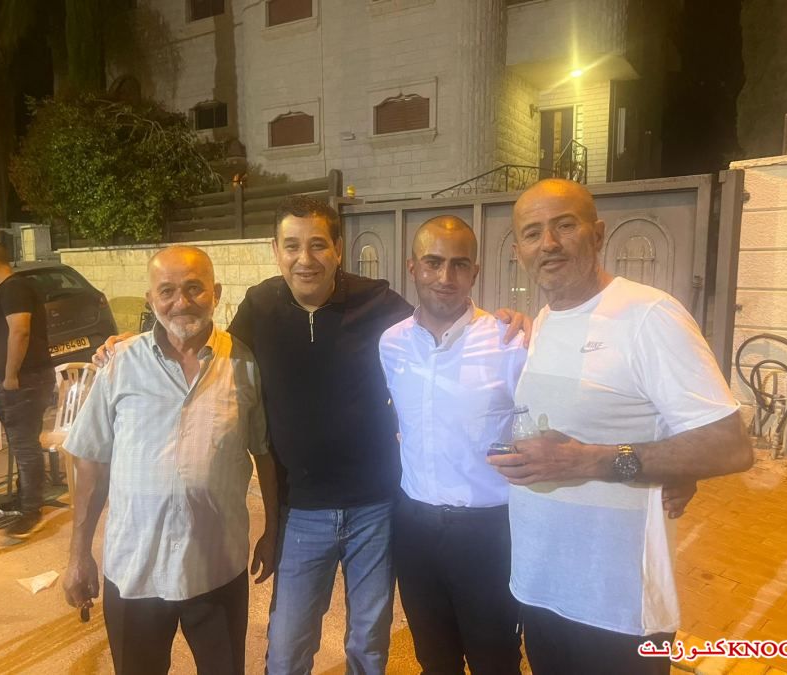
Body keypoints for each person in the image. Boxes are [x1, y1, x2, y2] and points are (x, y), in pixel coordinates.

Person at [96, 197, 527, 673]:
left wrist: (504, 321)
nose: (306, 259)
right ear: (275, 250)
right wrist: (136, 343)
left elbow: (439, 315)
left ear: (338, 249)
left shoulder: (379, 304)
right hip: (301, 511)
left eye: (318, 245)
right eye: (292, 246)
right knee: (286, 650)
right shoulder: (259, 307)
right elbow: (211, 346)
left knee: (368, 645)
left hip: (376, 508)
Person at [489, 179, 753, 675]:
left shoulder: (650, 315)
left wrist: (590, 460)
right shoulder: (542, 322)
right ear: (519, 250)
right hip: (540, 588)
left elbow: (730, 444)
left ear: (598, 234)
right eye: (532, 233)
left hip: (620, 610)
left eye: (565, 226)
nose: (549, 243)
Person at [62, 246, 278, 675]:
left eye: (194, 288)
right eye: (167, 291)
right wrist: (79, 554)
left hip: (216, 568)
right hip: (135, 569)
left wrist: (272, 531)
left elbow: (263, 452)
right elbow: (91, 464)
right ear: (151, 299)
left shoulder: (244, 363)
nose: (181, 302)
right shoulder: (119, 363)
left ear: (216, 293)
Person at [379, 216, 524, 673]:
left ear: (475, 272)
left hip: (489, 532)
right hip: (414, 527)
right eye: (433, 262)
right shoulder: (391, 344)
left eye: (459, 264)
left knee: (495, 658)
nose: (445, 276)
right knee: (433, 657)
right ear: (412, 267)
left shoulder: (509, 342)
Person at [0, 240, 54, 538]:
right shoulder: (5, 290)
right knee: (23, 444)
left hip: (24, 379)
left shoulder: (14, 289)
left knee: (25, 445)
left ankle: (31, 510)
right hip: (21, 379)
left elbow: (20, 331)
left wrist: (11, 375)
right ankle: (25, 497)